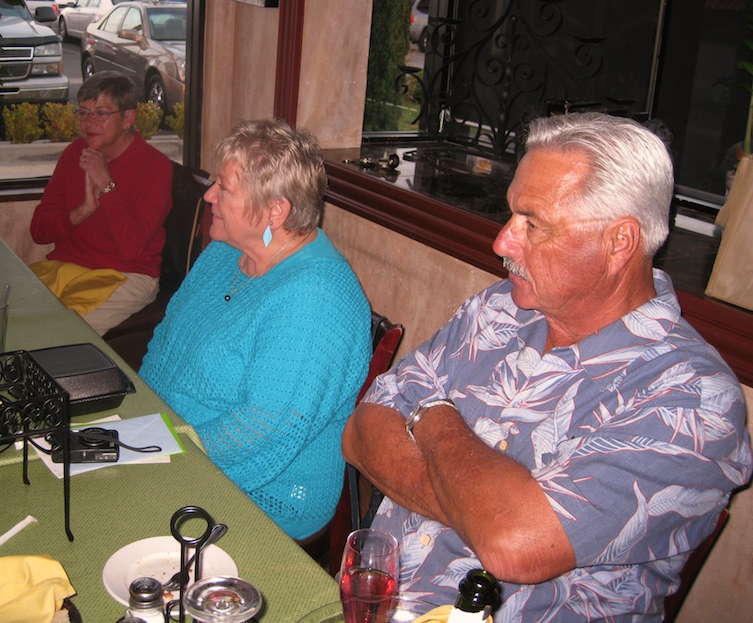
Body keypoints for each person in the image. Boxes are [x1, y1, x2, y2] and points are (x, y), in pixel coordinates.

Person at [342, 112, 753, 620]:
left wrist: (432, 416)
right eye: (511, 215)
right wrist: (482, 507)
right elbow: (362, 430)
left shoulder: (690, 398)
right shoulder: (499, 309)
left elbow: (514, 543)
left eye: (533, 224)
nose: (502, 243)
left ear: (618, 242)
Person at [139, 119, 371, 540]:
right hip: (165, 447)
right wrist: (135, 426)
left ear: (274, 210)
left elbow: (260, 431)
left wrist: (157, 451)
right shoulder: (225, 255)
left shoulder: (316, 300)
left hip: (258, 496)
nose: (208, 195)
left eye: (223, 188)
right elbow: (165, 345)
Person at [30, 71, 172, 336]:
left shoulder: (155, 167)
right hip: (65, 267)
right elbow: (39, 231)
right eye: (83, 113)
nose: (89, 123)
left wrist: (106, 185)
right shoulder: (75, 152)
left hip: (126, 275)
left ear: (128, 118)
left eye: (101, 113)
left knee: (54, 333)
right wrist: (82, 212)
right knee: (0, 310)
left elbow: (132, 248)